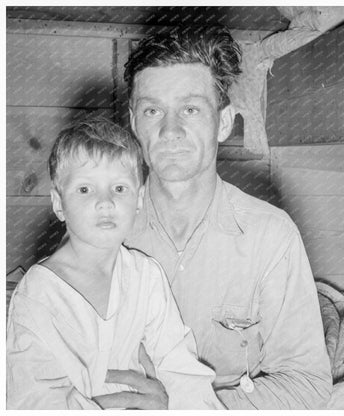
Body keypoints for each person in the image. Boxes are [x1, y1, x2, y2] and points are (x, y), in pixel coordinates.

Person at [122, 26, 333, 409]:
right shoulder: (101, 230)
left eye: (190, 109)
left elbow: (308, 385)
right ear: (135, 122)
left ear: (223, 123)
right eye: (153, 110)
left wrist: (184, 407)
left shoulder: (271, 235)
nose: (170, 130)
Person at [6, 118, 224, 410]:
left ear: (139, 199)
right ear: (59, 203)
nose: (105, 202)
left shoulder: (146, 277)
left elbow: (180, 369)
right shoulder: (38, 294)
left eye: (119, 189)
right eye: (85, 190)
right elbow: (33, 400)